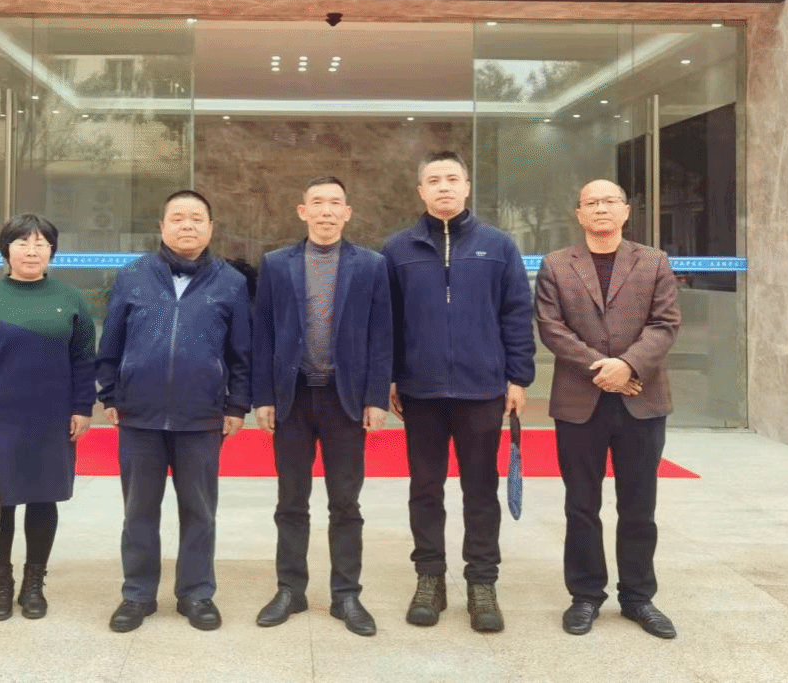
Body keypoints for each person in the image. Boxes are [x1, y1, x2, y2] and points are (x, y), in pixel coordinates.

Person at [382, 150, 534, 633]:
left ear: (467, 187)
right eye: (434, 180)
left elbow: (516, 314)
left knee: (480, 489)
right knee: (425, 488)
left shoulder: (498, 245)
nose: (444, 186)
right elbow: (387, 321)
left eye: (452, 178)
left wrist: (518, 377)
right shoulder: (397, 249)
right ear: (420, 191)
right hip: (420, 391)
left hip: (481, 388)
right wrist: (389, 376)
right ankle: (429, 578)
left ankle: (482, 582)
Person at [97, 190, 251, 633]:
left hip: (201, 416)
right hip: (140, 415)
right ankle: (137, 594)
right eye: (178, 217)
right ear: (162, 227)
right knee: (139, 512)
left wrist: (237, 404)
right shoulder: (133, 276)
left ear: (211, 227)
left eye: (197, 218)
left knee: (200, 512)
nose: (187, 225)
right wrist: (110, 394)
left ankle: (196, 593)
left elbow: (242, 352)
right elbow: (111, 342)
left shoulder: (231, 282)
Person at [534, 179, 682, 640]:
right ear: (579, 214)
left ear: (626, 211)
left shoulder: (654, 261)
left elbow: (665, 323)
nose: (601, 208)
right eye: (591, 202)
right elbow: (551, 327)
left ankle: (638, 597)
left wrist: (628, 365)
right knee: (581, 505)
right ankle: (585, 595)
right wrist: (603, 368)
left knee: (639, 505)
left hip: (642, 399)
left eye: (610, 201)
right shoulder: (556, 265)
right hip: (580, 401)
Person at [252, 176, 392, 637]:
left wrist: (376, 397)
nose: (327, 211)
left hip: (344, 399)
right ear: (303, 211)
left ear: (347, 213)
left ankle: (346, 593)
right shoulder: (276, 264)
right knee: (291, 501)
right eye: (318, 203)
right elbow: (263, 333)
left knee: (345, 503)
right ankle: (290, 589)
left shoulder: (371, 265)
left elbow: (381, 336)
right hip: (292, 398)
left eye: (335, 203)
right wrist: (263, 396)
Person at [0, 214, 96, 622]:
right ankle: (1, 583)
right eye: (22, 243)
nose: (32, 251)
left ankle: (34, 583)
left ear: (52, 251)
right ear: (6, 250)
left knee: (44, 498)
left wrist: (83, 406)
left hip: (53, 417)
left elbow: (84, 359)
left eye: (41, 243)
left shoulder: (70, 298)